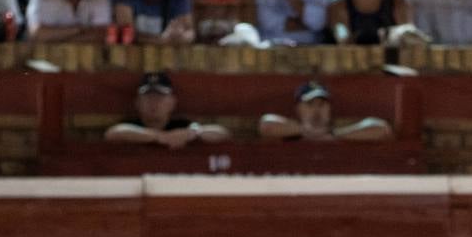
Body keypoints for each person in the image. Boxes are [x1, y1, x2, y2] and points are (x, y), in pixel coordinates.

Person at [104, 71, 231, 147]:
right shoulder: (132, 125)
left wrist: (192, 133)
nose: (153, 103)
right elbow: (113, 133)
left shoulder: (181, 125)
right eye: (148, 97)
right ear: (138, 103)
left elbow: (222, 133)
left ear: (172, 103)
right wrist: (160, 137)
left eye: (159, 98)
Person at [258, 80, 393, 140]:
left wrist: (334, 134)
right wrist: (306, 131)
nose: (316, 110)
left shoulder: (342, 133)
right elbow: (266, 124)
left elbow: (382, 129)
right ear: (299, 109)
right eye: (310, 104)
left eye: (322, 104)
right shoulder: (288, 132)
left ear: (329, 108)